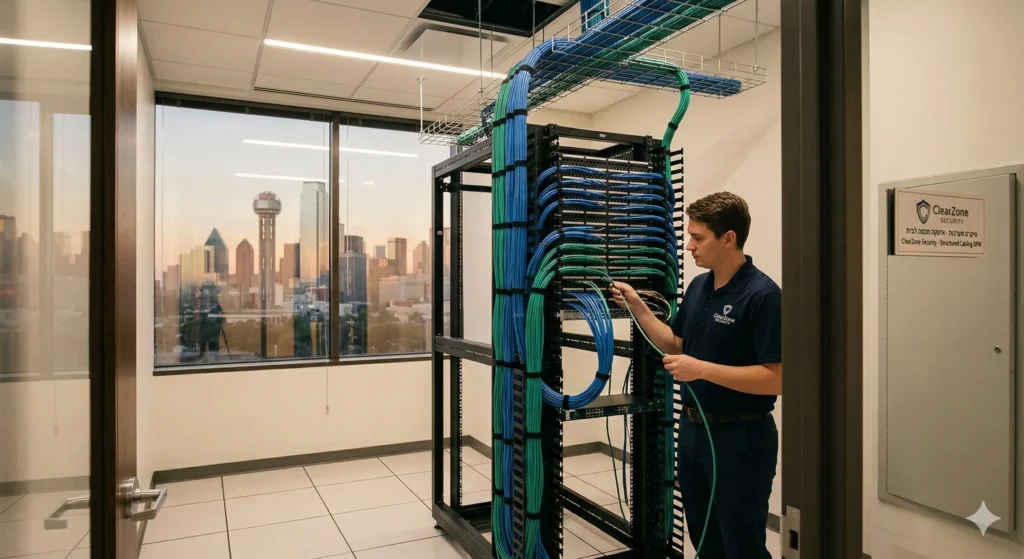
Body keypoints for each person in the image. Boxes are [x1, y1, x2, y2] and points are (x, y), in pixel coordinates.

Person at [611, 191, 781, 559]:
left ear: (729, 238)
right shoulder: (700, 286)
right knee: (705, 538)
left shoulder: (763, 296)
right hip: (693, 432)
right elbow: (676, 344)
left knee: (742, 543)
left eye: (698, 238)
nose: (689, 246)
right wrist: (638, 308)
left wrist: (700, 369)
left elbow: (776, 378)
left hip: (741, 438)